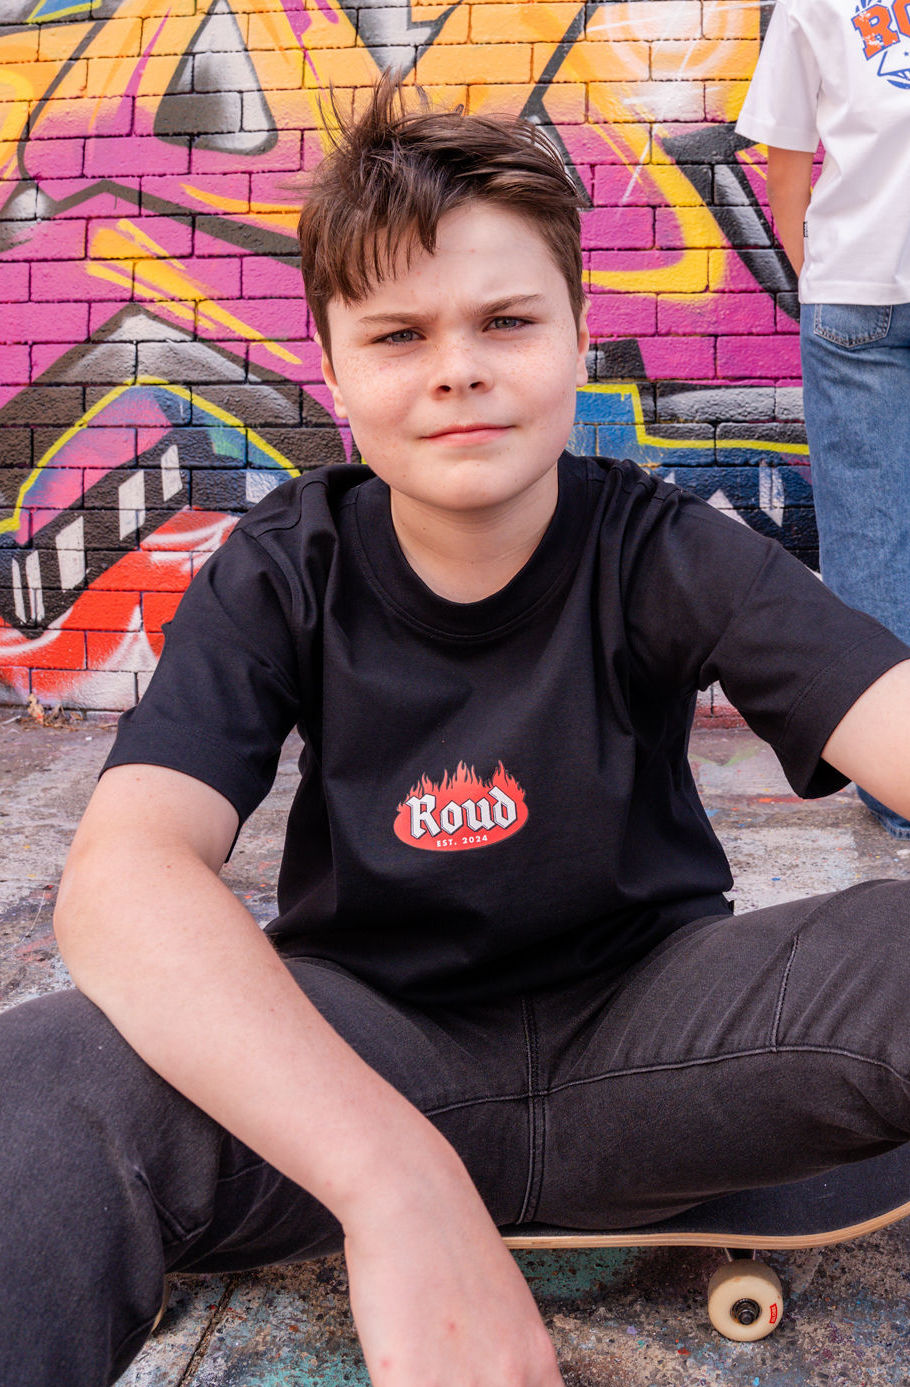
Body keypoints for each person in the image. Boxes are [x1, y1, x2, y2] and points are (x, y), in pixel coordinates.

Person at [4, 74, 910, 1387]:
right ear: (329, 364)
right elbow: (123, 873)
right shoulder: (280, 567)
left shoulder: (662, 546)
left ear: (578, 333)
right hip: (366, 1053)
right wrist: (391, 1180)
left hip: (659, 1049)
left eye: (504, 319)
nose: (458, 369)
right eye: (397, 335)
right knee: (41, 1077)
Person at [736, 0, 910, 836]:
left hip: (854, 288)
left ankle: (897, 784)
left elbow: (787, 167)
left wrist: (820, 280)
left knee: (869, 540)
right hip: (856, 304)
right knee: (873, 545)